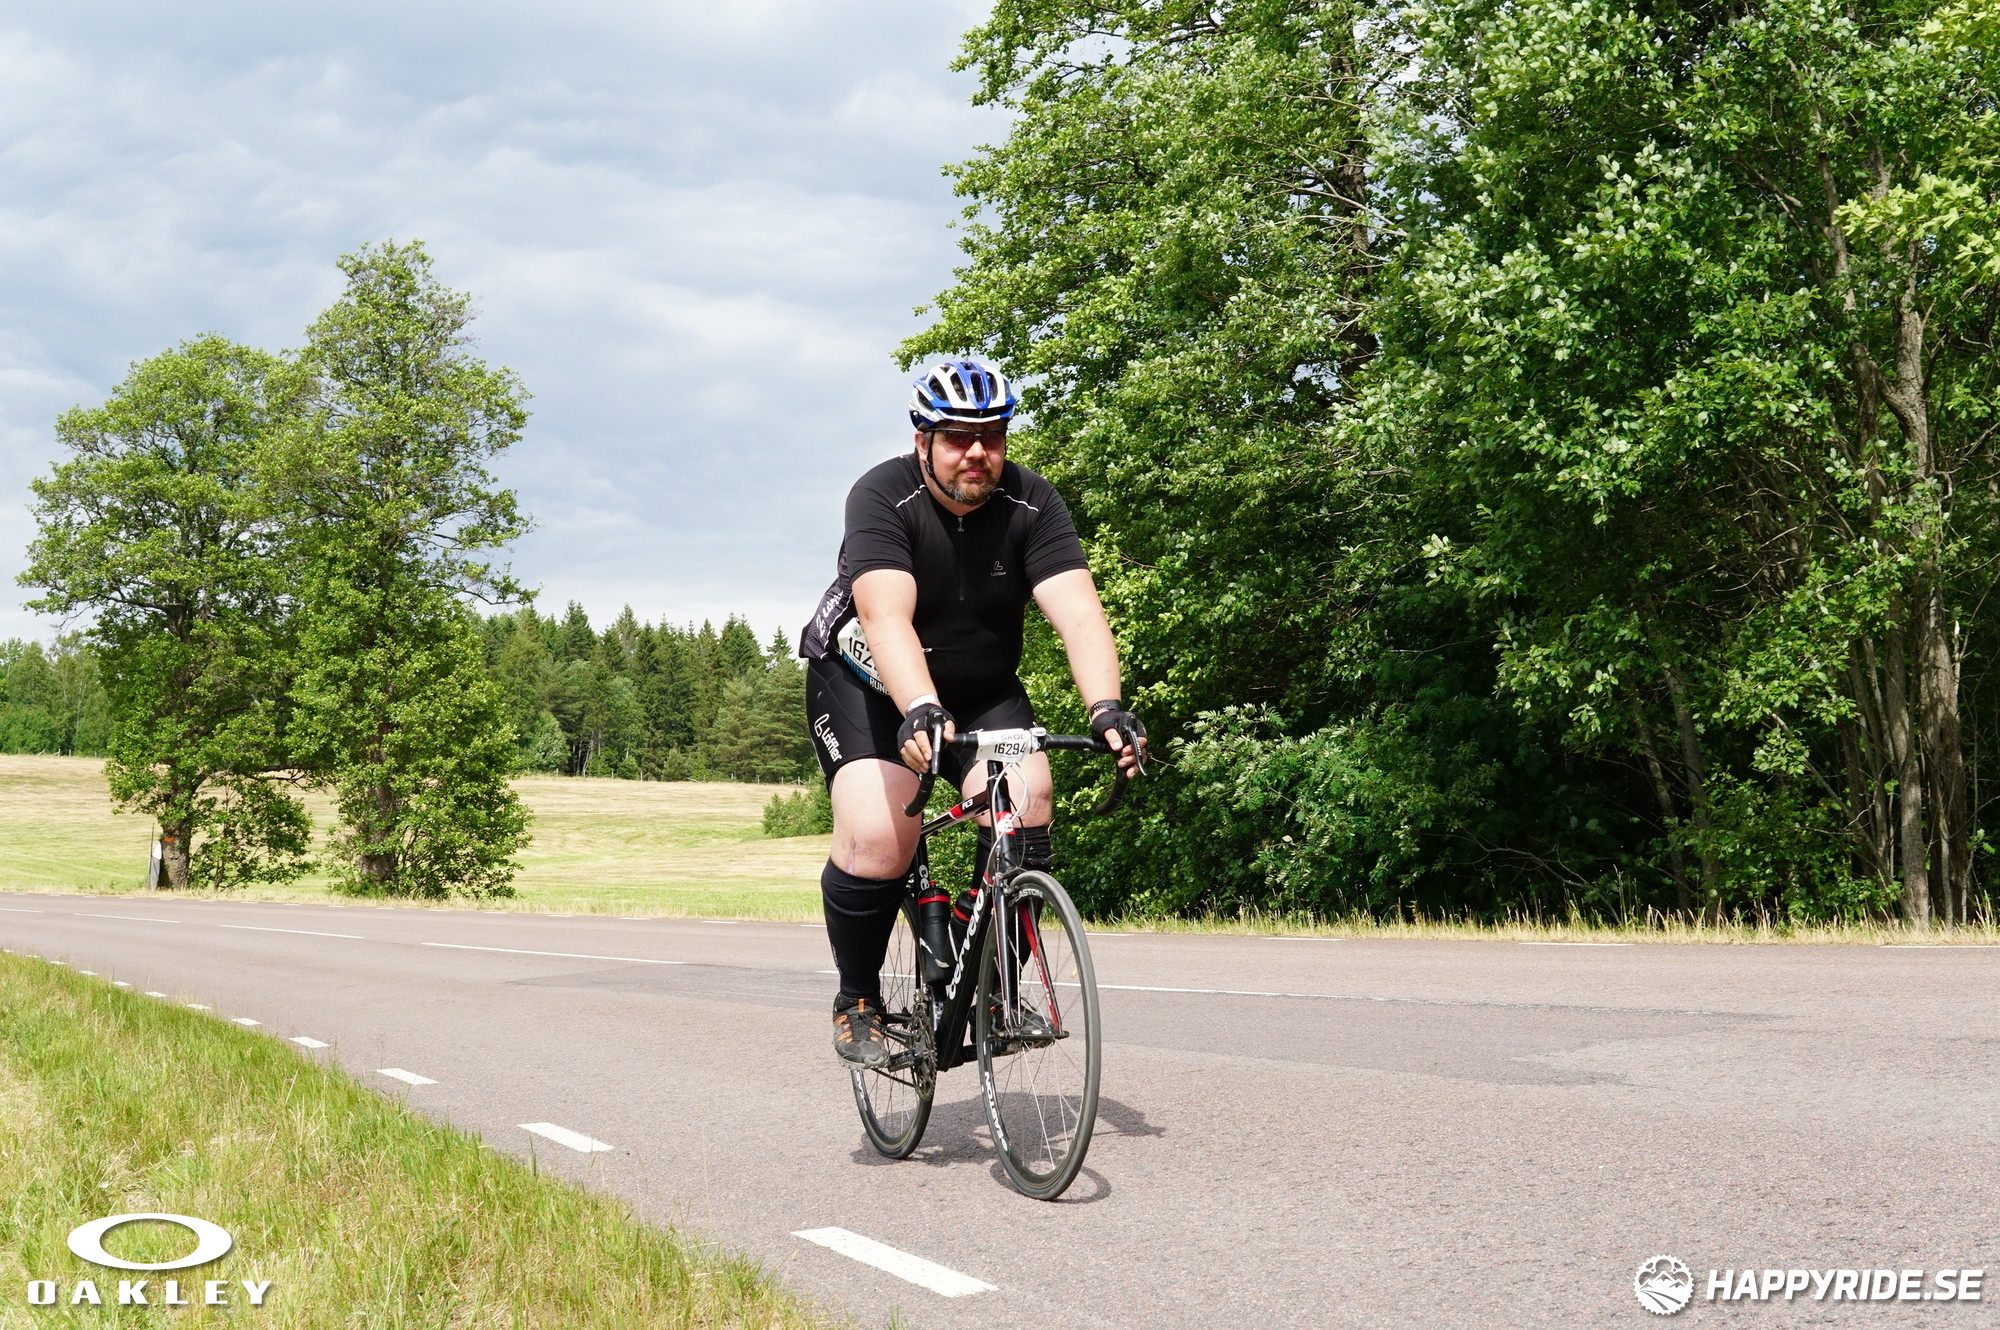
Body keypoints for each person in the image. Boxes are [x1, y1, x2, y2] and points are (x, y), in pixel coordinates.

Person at [799, 355, 1145, 1067]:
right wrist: (921, 706)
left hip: (982, 688)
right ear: (922, 441)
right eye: (958, 437)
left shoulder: (1032, 501)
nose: (977, 452)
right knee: (879, 835)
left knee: (1029, 800)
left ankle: (987, 980)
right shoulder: (881, 495)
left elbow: (1080, 615)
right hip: (867, 682)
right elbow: (885, 616)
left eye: (991, 435)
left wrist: (1106, 707)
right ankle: (857, 999)